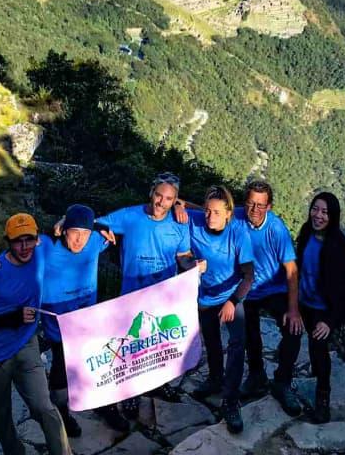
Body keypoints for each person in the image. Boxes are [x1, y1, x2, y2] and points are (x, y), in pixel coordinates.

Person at [95, 172, 192, 417]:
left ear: (175, 200)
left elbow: (183, 256)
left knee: (160, 343)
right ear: (151, 192)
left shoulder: (179, 224)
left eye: (169, 199)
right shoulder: (130, 216)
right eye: (159, 195)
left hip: (163, 295)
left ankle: (158, 385)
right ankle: (130, 394)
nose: (161, 202)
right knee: (133, 345)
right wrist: (100, 228)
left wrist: (195, 267)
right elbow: (97, 222)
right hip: (132, 294)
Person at [0, 213, 71, 455]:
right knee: (1, 413)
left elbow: (72, 233)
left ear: (37, 239)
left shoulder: (42, 249)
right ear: (8, 241)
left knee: (44, 407)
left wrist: (96, 227)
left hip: (26, 345)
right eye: (18, 241)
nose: (25, 246)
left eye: (30, 239)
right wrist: (13, 318)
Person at [41, 205, 130, 434]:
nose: (80, 240)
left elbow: (119, 225)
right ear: (64, 230)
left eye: (85, 233)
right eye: (74, 232)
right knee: (61, 372)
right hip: (58, 329)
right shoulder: (46, 247)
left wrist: (100, 226)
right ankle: (62, 414)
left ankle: (106, 406)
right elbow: (20, 243)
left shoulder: (95, 241)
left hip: (88, 322)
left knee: (102, 365)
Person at [271, 192, 345, 424]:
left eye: (325, 212)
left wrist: (330, 321)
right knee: (291, 338)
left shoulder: (339, 248)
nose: (318, 215)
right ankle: (282, 381)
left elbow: (343, 289)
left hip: (322, 309)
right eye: (315, 209)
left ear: (333, 216)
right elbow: (295, 268)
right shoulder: (306, 233)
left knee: (319, 349)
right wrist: (291, 305)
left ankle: (322, 397)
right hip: (301, 301)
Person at [183, 186, 254, 434]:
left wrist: (233, 302)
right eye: (207, 211)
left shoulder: (238, 234)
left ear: (228, 214)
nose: (210, 217)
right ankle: (215, 379)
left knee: (237, 345)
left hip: (231, 295)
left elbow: (248, 275)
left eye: (216, 212)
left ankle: (231, 400)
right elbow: (168, 203)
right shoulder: (195, 222)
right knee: (212, 341)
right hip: (205, 296)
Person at [233, 181, 305, 402]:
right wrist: (180, 205)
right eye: (251, 204)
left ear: (269, 206)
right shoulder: (236, 217)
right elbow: (207, 211)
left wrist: (293, 310)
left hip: (274, 288)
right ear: (245, 203)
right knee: (248, 332)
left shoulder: (276, 229)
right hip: (247, 286)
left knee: (293, 331)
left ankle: (282, 381)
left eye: (261, 205)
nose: (255, 210)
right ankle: (257, 375)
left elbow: (291, 270)